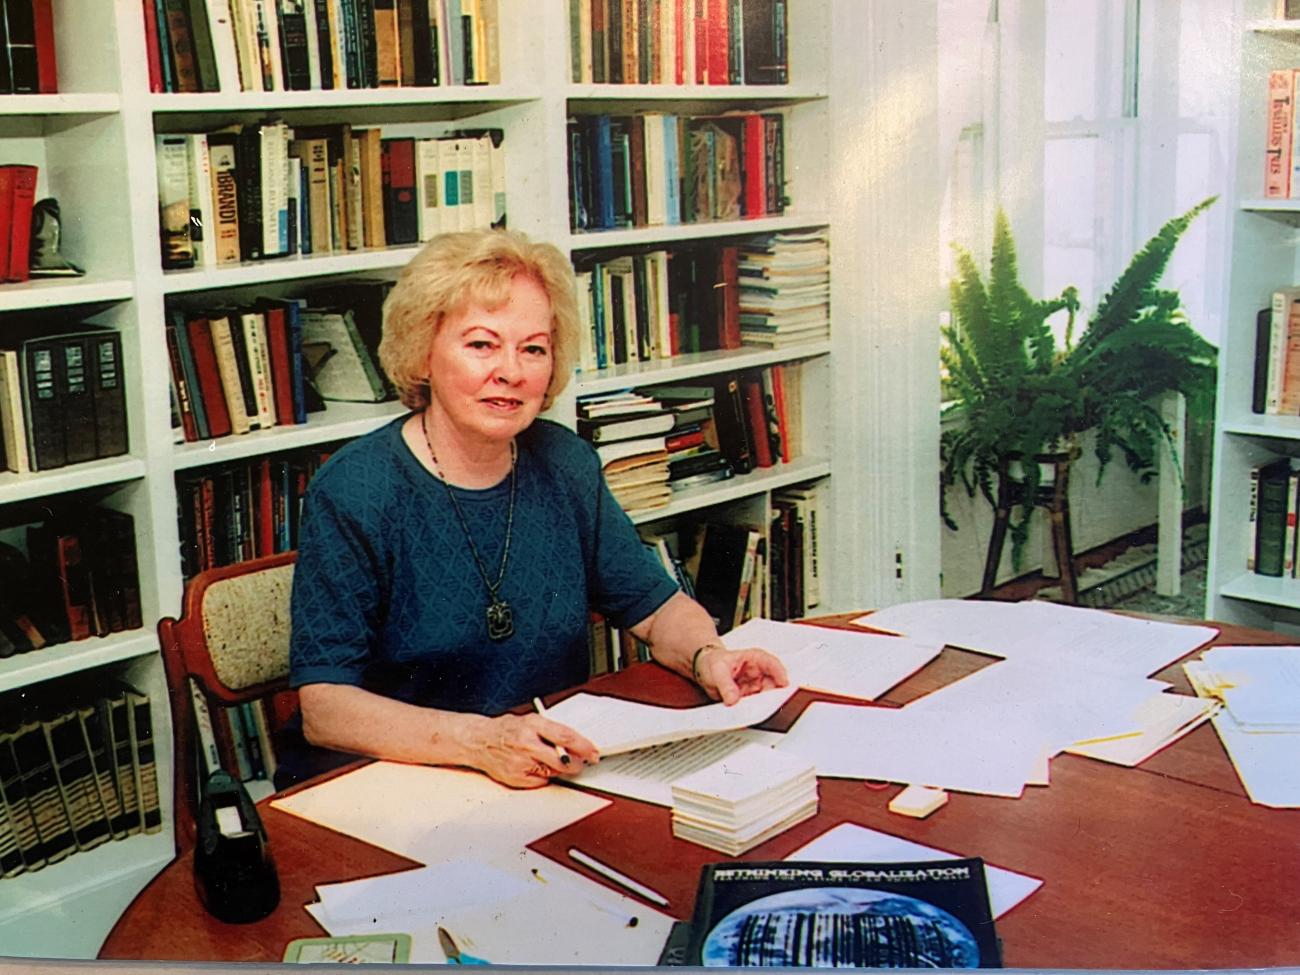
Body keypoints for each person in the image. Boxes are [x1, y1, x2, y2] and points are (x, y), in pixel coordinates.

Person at [284, 228, 788, 790]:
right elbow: (324, 708)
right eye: (481, 345)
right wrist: (481, 742)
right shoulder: (355, 489)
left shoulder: (565, 463)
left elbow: (657, 608)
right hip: (394, 783)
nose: (511, 371)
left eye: (533, 348)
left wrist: (708, 656)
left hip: (541, 770)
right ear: (422, 354)